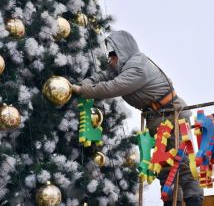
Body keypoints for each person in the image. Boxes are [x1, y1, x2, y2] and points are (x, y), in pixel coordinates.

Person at [72, 30, 203, 206]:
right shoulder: (123, 66)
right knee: (165, 168)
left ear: (122, 51)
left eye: (113, 54)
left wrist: (83, 91)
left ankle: (194, 202)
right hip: (157, 119)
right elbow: (105, 76)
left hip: (172, 115)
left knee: (182, 165)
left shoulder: (137, 67)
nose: (109, 59)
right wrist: (87, 83)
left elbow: (114, 87)